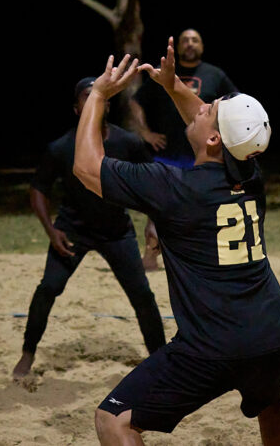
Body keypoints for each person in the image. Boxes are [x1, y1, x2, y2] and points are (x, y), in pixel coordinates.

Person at [73, 41, 280, 446]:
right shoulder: (250, 175)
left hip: (212, 345)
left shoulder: (172, 186)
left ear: (213, 140)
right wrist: (173, 85)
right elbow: (216, 128)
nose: (201, 107)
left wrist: (98, 97)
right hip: (275, 335)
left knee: (113, 419)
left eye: (209, 109)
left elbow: (87, 167)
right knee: (271, 400)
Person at [12, 77, 166, 380]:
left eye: (101, 95)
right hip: (73, 231)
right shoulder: (61, 147)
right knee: (49, 288)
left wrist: (152, 220)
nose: (96, 99)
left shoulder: (128, 143)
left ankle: (161, 359)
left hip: (116, 231)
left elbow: (154, 182)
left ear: (107, 105)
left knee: (142, 295)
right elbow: (38, 189)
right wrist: (50, 229)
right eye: (87, 95)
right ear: (76, 108)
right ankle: (27, 353)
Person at [128, 28, 238, 271]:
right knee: (157, 208)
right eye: (185, 40)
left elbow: (235, 103)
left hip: (203, 156)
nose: (189, 44)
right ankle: (150, 256)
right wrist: (145, 132)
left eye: (195, 40)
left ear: (202, 46)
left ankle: (201, 255)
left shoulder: (215, 75)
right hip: (167, 154)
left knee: (202, 209)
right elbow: (136, 102)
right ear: (177, 47)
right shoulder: (165, 75)